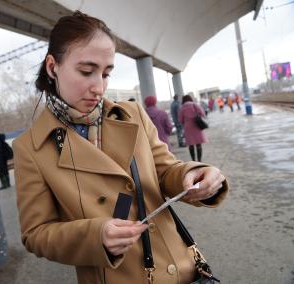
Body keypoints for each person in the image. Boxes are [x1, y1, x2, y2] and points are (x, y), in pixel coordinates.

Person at [14, 12, 228, 284]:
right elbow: (36, 234)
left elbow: (165, 170)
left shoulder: (132, 114)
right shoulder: (30, 148)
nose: (99, 87)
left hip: (179, 268)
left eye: (106, 73)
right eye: (86, 71)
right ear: (53, 67)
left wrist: (194, 174)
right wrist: (95, 235)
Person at [178, 95, 207, 162]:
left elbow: (180, 119)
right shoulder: (194, 105)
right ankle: (199, 160)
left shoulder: (182, 108)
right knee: (198, 143)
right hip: (197, 125)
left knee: (191, 145)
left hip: (187, 127)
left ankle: (193, 160)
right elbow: (203, 113)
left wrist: (185, 121)